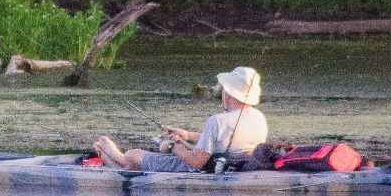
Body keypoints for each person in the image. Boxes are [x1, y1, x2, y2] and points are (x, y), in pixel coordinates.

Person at [94, 65, 266, 172]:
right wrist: (186, 135)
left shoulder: (218, 120)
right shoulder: (259, 118)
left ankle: (112, 155)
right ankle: (113, 162)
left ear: (228, 94)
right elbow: (222, 139)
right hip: (233, 166)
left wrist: (173, 146)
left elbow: (196, 162)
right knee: (134, 165)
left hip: (199, 169)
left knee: (133, 155)